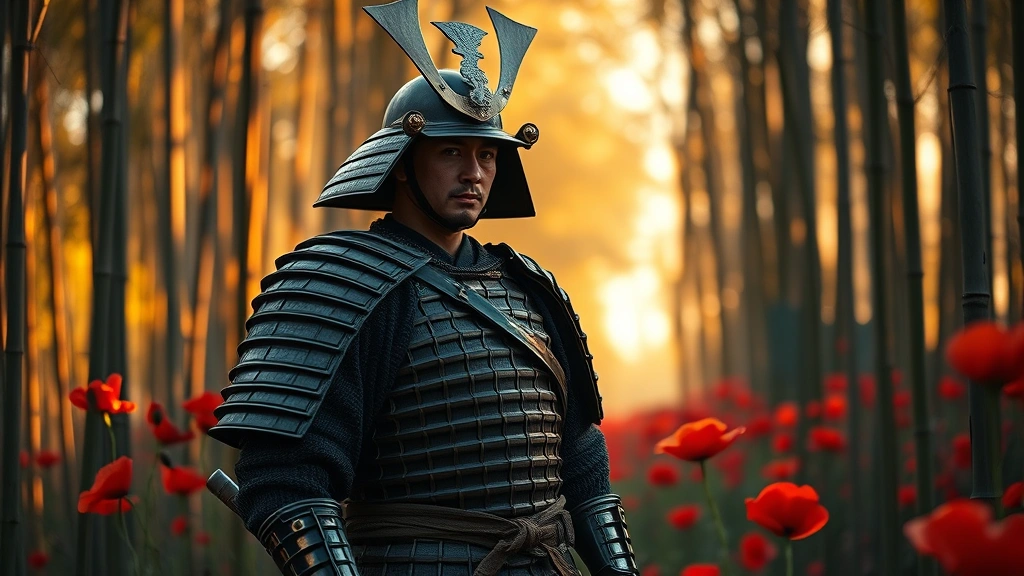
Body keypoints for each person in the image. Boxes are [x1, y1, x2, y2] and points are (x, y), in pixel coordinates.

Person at [208, 1, 639, 575]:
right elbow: (287, 478)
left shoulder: (529, 287)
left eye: (488, 154)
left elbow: (580, 456)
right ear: (402, 162)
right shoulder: (337, 286)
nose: (475, 173)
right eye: (452, 151)